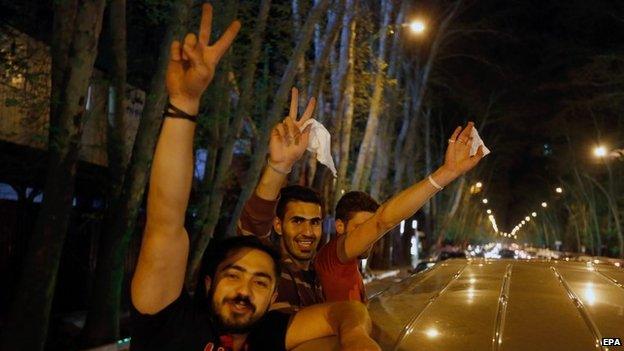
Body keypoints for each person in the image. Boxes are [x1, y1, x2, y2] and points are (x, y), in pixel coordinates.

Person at [130, 4, 379, 350]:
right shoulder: (170, 323)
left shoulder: (267, 333)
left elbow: (347, 312)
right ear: (208, 283)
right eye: (233, 276)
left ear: (274, 296)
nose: (245, 292)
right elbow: (165, 221)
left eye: (261, 283)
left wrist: (354, 337)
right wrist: (184, 103)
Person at [315, 123, 485, 302]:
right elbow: (382, 221)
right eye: (360, 228)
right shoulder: (332, 256)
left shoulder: (352, 266)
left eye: (368, 228)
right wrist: (446, 173)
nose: (369, 236)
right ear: (339, 227)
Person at [237, 88, 326, 312]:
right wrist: (279, 167)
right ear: (277, 224)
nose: (308, 231)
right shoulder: (270, 270)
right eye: (297, 220)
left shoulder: (319, 279)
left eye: (314, 222)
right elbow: (254, 224)